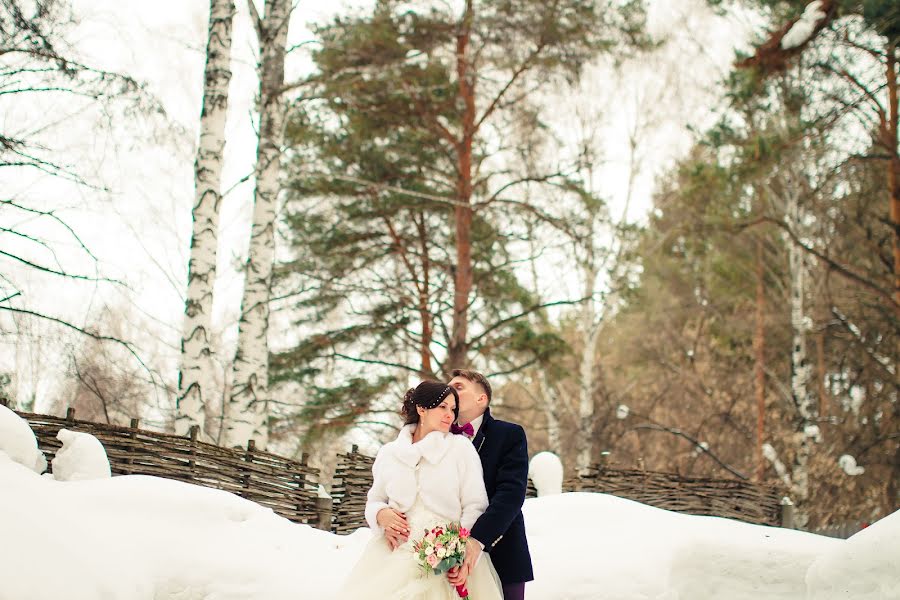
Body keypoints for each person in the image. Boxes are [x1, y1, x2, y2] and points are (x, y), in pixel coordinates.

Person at [334, 380, 503, 600]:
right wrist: (380, 514)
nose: (449, 415)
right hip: (392, 553)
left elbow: (475, 504)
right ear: (421, 409)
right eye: (442, 407)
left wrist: (456, 549)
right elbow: (375, 499)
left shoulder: (460, 449)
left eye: (453, 409)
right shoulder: (389, 453)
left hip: (446, 555)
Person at [445, 369, 533, 600]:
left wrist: (477, 540)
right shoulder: (439, 438)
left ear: (481, 398)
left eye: (459, 386)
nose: (450, 390)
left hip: (502, 550)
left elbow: (511, 494)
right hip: (444, 556)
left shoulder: (509, 434)